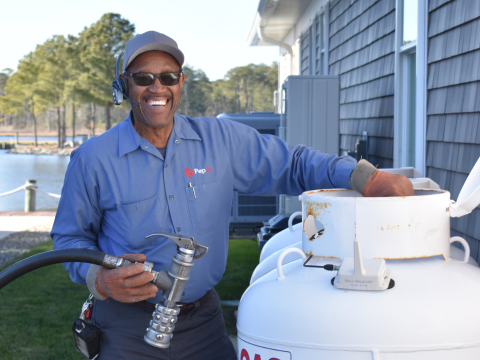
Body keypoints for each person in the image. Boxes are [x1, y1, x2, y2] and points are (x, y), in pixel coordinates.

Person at [51, 31, 414, 360]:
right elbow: (69, 238)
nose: (156, 87)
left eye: (168, 77)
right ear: (124, 85)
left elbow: (294, 163)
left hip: (203, 323)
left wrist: (364, 176)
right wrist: (98, 279)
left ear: (181, 83)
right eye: (143, 78)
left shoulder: (221, 141)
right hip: (125, 326)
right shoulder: (93, 158)